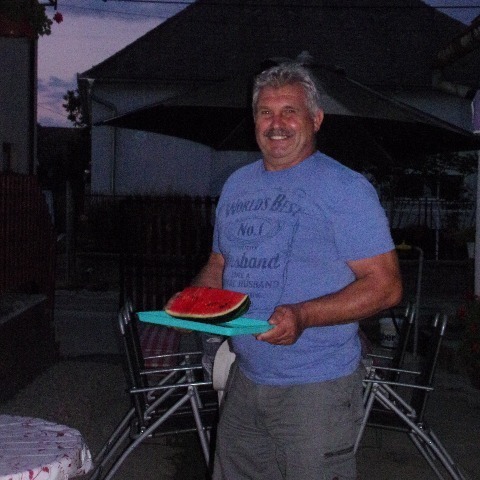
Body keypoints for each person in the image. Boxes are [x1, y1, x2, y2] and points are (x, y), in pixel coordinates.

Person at [181, 62, 402, 480]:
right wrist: (195, 300)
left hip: (316, 389)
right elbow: (219, 264)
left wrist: (303, 315)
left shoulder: (345, 189)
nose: (276, 124)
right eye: (266, 112)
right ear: (254, 121)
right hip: (246, 379)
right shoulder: (237, 185)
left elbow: (386, 286)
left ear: (316, 119)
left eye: (290, 111)